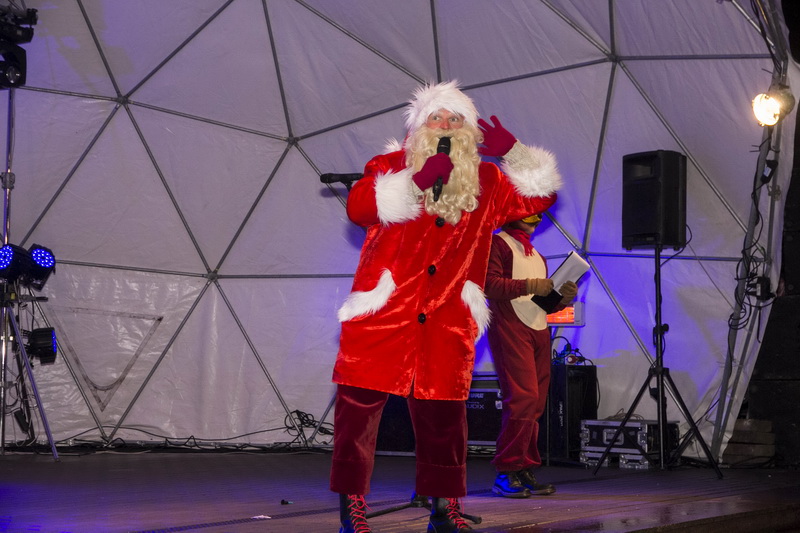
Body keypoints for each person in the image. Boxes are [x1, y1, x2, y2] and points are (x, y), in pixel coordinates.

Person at [330, 80, 562, 533]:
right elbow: (359, 208)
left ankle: (444, 509)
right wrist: (416, 181)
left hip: (447, 320)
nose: (446, 125)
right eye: (437, 117)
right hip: (384, 314)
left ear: (470, 131)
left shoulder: (488, 181)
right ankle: (352, 510)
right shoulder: (388, 166)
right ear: (419, 125)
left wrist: (515, 153)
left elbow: (540, 196)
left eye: (456, 119)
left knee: (445, 423)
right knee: (357, 417)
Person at [484, 214, 578, 498]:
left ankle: (523, 467)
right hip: (510, 326)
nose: (534, 218)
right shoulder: (497, 244)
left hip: (538, 329)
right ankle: (506, 470)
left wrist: (562, 298)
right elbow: (489, 285)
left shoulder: (537, 255)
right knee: (522, 399)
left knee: (535, 403)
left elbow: (542, 304)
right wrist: (530, 285)